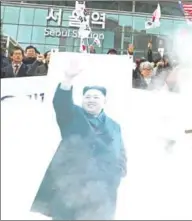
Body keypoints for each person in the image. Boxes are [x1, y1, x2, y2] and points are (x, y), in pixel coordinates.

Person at [31, 61, 127, 220]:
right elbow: (61, 103)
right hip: (69, 189)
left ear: (104, 101)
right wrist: (67, 79)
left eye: (96, 97)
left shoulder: (114, 126)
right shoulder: (73, 115)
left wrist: (118, 173)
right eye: (87, 97)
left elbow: (120, 152)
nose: (91, 100)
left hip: (101, 192)